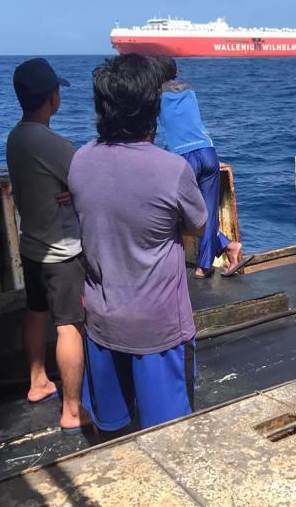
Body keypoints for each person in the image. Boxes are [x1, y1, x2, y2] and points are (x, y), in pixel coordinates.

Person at [69, 54, 207, 434]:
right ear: (153, 108)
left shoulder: (79, 160)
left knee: (112, 431)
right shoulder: (171, 169)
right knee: (169, 437)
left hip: (102, 323)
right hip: (157, 330)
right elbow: (197, 226)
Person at [6, 58, 92, 433]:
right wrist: (72, 191)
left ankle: (38, 380)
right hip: (62, 251)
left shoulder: (16, 135)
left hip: (32, 245)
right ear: (52, 98)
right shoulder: (52, 142)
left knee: (35, 312)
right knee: (70, 326)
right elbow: (88, 182)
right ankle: (72, 410)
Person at [154, 56, 250, 278]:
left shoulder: (155, 95)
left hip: (181, 156)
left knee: (178, 214)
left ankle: (208, 262)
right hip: (207, 151)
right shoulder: (189, 89)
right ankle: (224, 249)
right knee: (207, 212)